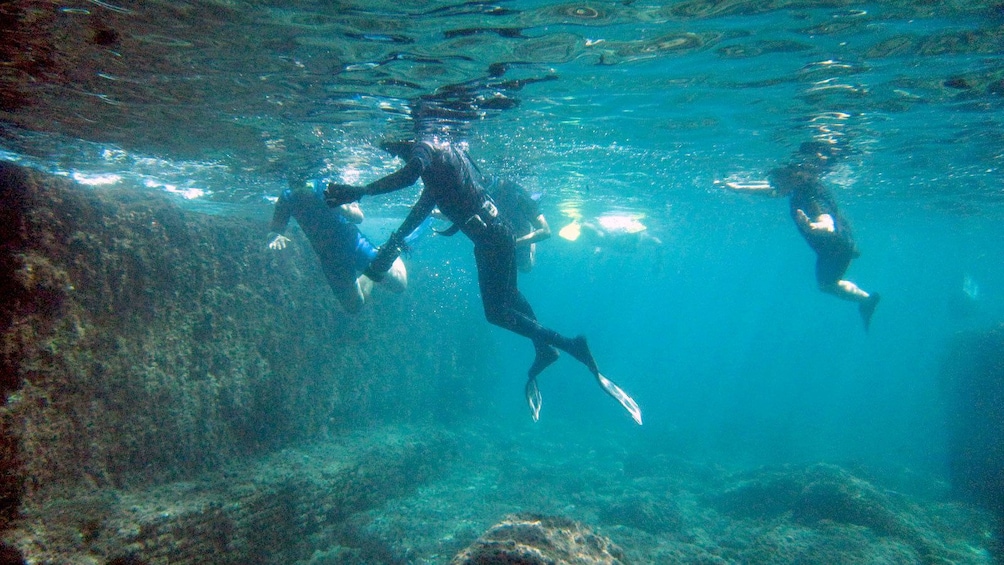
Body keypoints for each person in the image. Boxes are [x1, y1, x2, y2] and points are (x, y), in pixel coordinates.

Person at [325, 136, 642, 425]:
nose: (393, 154)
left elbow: (407, 176)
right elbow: (423, 207)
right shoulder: (444, 158)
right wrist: (394, 242)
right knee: (510, 297)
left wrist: (360, 191)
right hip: (494, 236)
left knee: (495, 312)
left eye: (394, 148)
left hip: (491, 240)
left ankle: (567, 344)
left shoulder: (426, 148)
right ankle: (545, 348)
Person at [722, 141, 880, 330]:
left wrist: (814, 227)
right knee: (838, 259)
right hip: (840, 240)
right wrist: (738, 188)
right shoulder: (801, 186)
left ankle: (867, 300)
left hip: (833, 250)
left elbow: (827, 224)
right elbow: (772, 191)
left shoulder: (811, 197)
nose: (774, 184)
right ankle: (852, 251)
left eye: (778, 180)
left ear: (794, 177)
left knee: (826, 285)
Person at [267, 178, 407, 314]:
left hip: (355, 245)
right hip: (330, 259)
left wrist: (339, 205)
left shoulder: (327, 187)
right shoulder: (287, 198)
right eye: (294, 185)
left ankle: (392, 252)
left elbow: (358, 218)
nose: (299, 189)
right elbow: (275, 230)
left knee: (400, 285)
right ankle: (373, 269)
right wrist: (276, 236)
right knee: (354, 307)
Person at [434, 175, 551, 273]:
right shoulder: (480, 191)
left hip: (519, 231)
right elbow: (458, 214)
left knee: (525, 268)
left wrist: (511, 244)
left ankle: (530, 227)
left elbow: (546, 231)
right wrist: (431, 212)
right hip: (499, 236)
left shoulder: (518, 194)